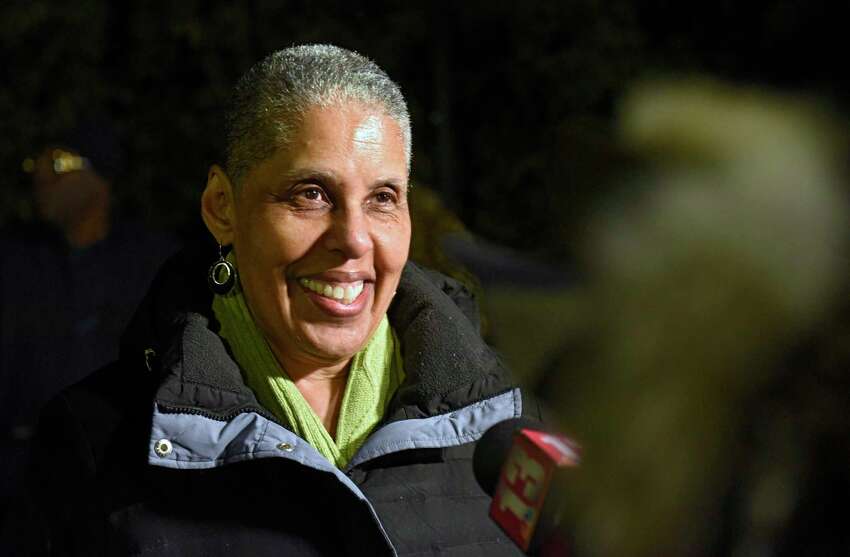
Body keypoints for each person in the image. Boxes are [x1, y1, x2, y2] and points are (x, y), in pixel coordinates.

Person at [6, 45, 537, 556]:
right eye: (311, 194)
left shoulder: (514, 428)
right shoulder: (93, 448)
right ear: (222, 207)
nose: (354, 239)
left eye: (382, 198)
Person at [0, 116, 177, 524]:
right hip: (19, 484)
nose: (43, 176)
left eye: (59, 163)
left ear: (101, 178)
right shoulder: (16, 262)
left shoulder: (150, 264)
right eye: (36, 164)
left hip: (119, 487)